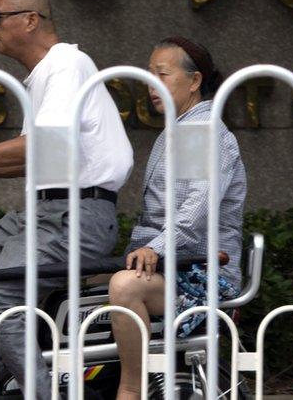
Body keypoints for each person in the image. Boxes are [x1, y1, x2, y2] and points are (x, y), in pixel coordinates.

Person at [0, 0, 133, 399]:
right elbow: (32, 159)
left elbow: (44, 146)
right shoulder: (42, 77)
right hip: (43, 216)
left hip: (74, 218)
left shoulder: (66, 65)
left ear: (29, 20)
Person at [108, 37, 246, 400]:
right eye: (149, 75)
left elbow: (197, 209)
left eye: (163, 74)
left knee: (125, 286)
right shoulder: (180, 129)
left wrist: (155, 246)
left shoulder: (200, 130)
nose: (153, 84)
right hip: (179, 267)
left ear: (195, 81)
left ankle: (130, 388)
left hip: (202, 274)